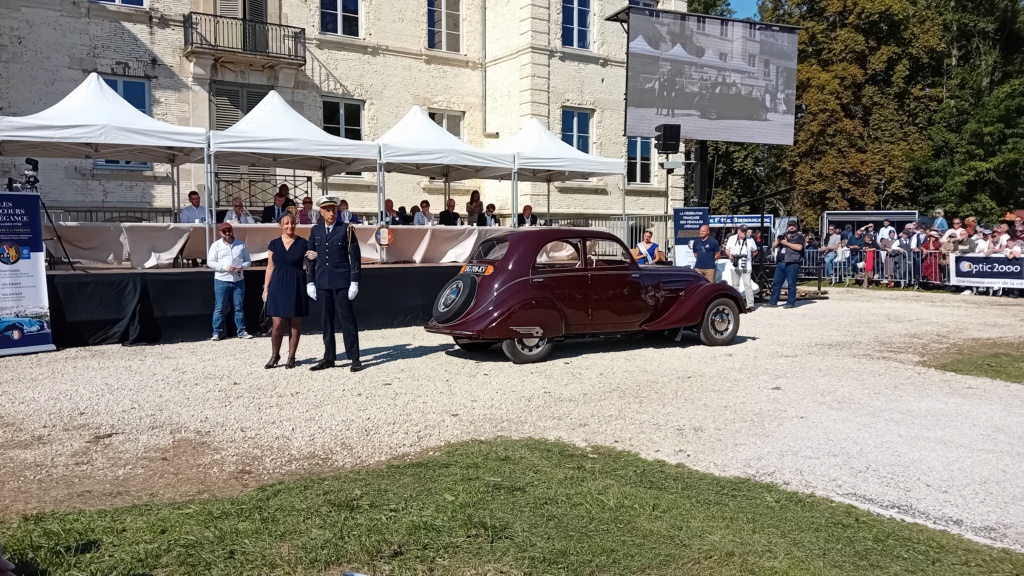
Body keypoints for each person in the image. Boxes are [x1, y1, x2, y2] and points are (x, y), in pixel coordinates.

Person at [305, 196, 363, 372]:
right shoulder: (315, 230)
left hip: (341, 281)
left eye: (334, 209)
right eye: (328, 210)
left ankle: (354, 358)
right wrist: (310, 281)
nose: (332, 212)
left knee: (347, 319)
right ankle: (329, 357)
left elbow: (355, 257)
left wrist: (354, 282)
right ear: (321, 212)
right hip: (322, 281)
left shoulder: (346, 229)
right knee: (326, 321)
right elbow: (310, 256)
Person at [262, 213, 308, 369]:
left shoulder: (303, 243)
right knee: (277, 323)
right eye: (287, 223)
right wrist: (265, 288)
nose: (290, 226)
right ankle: (275, 355)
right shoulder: (273, 244)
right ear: (281, 225)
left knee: (295, 324)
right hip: (278, 284)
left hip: (297, 283)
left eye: (293, 223)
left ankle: (291, 357)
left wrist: (313, 258)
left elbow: (310, 264)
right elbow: (270, 267)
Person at [207, 222, 252, 340]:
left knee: (238, 306)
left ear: (232, 231)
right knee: (220, 307)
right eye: (224, 231)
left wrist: (243, 266)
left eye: (229, 230)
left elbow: (248, 260)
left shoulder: (241, 244)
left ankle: (241, 331)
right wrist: (225, 267)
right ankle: (217, 332)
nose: (227, 233)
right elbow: (210, 262)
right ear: (220, 233)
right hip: (222, 280)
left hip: (238, 280)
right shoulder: (215, 245)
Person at [768, 220, 805, 308]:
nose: (791, 227)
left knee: (791, 283)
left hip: (792, 262)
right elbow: (773, 246)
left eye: (793, 226)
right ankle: (773, 302)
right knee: (776, 283)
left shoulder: (799, 236)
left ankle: (790, 303)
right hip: (781, 262)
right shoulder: (783, 235)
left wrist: (786, 243)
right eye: (789, 226)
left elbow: (799, 247)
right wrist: (779, 241)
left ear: (796, 227)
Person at [724, 224, 758, 311]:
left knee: (748, 285)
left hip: (746, 265)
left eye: (745, 231)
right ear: (738, 231)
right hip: (734, 265)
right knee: (735, 286)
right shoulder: (732, 238)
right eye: (742, 231)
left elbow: (755, 251)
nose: (744, 232)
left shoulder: (750, 240)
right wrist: (730, 256)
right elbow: (727, 249)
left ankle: (750, 304)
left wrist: (749, 257)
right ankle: (736, 304)